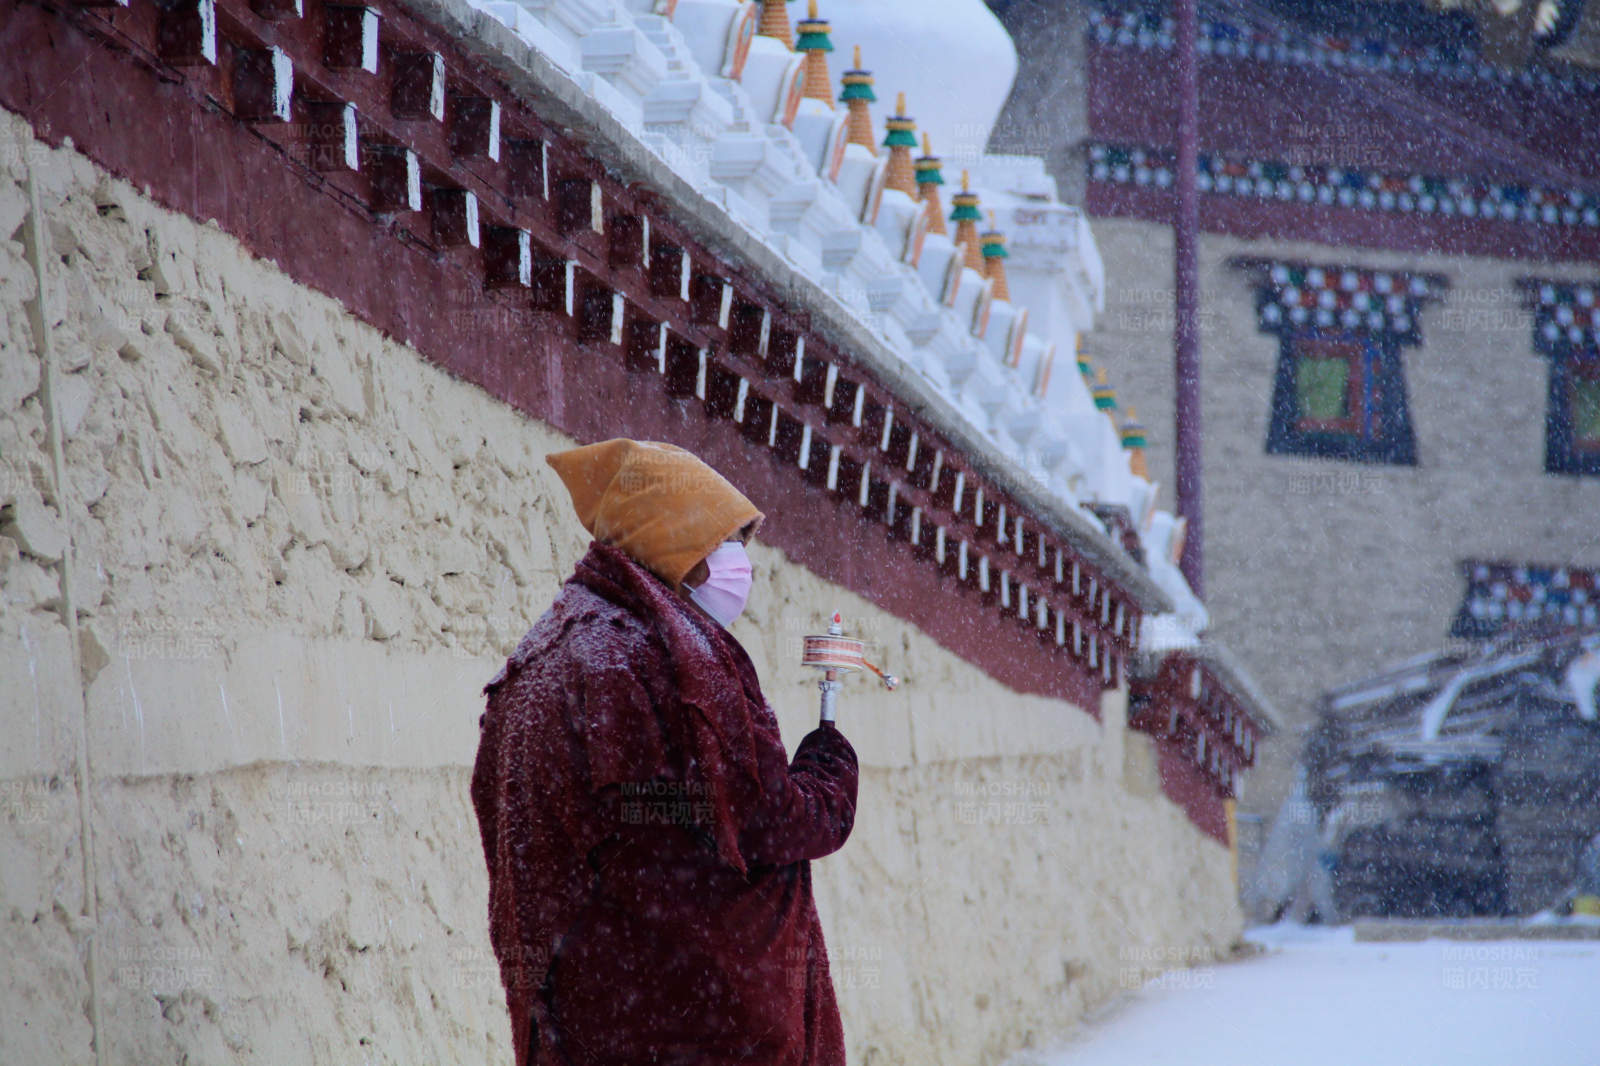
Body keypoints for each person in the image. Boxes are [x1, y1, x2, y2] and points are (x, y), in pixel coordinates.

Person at [470, 438, 859, 1066]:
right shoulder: (667, 659)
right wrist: (829, 769)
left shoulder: (542, 653)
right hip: (692, 1025)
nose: (740, 563)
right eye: (728, 542)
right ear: (679, 543)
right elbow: (766, 820)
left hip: (589, 1017)